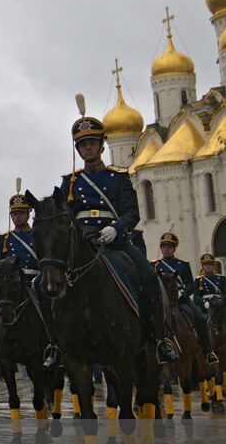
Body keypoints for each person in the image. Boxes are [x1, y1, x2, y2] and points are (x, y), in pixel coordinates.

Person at [62, 98, 179, 365]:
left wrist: (116, 228)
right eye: (83, 145)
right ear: (78, 150)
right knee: (49, 283)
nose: (88, 148)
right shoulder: (70, 182)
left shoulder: (119, 176)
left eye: (92, 143)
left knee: (150, 277)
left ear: (101, 146)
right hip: (84, 242)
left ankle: (159, 338)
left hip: (114, 242)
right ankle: (56, 343)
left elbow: (132, 213)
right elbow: (66, 214)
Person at [0, 184, 59, 369]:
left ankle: (53, 343)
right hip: (12, 283)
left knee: (49, 306)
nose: (18, 217)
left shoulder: (36, 235)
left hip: (35, 279)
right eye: (14, 214)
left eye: (21, 213)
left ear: (29, 213)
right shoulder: (5, 239)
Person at [155, 232, 218, 366]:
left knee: (200, 319)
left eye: (170, 247)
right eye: (164, 246)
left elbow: (190, 284)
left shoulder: (182, 264)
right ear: (161, 248)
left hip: (181, 300)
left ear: (174, 249)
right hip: (162, 302)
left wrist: (182, 293)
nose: (166, 249)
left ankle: (208, 352)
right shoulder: (155, 265)